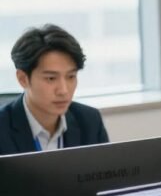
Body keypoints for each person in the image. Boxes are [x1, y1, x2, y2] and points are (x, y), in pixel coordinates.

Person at [1, 24, 108, 154]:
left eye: (71, 76)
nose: (63, 90)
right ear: (23, 79)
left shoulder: (90, 121)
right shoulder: (3, 129)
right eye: (51, 78)